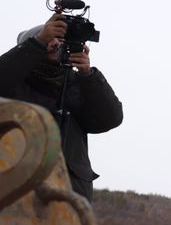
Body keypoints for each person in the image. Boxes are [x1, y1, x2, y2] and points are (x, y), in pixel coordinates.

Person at [0, 16, 123, 199]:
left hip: (67, 194)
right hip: (15, 189)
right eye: (50, 40)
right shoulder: (15, 83)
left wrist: (88, 75)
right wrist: (38, 43)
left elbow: (110, 118)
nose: (56, 45)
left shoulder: (77, 87)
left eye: (61, 41)